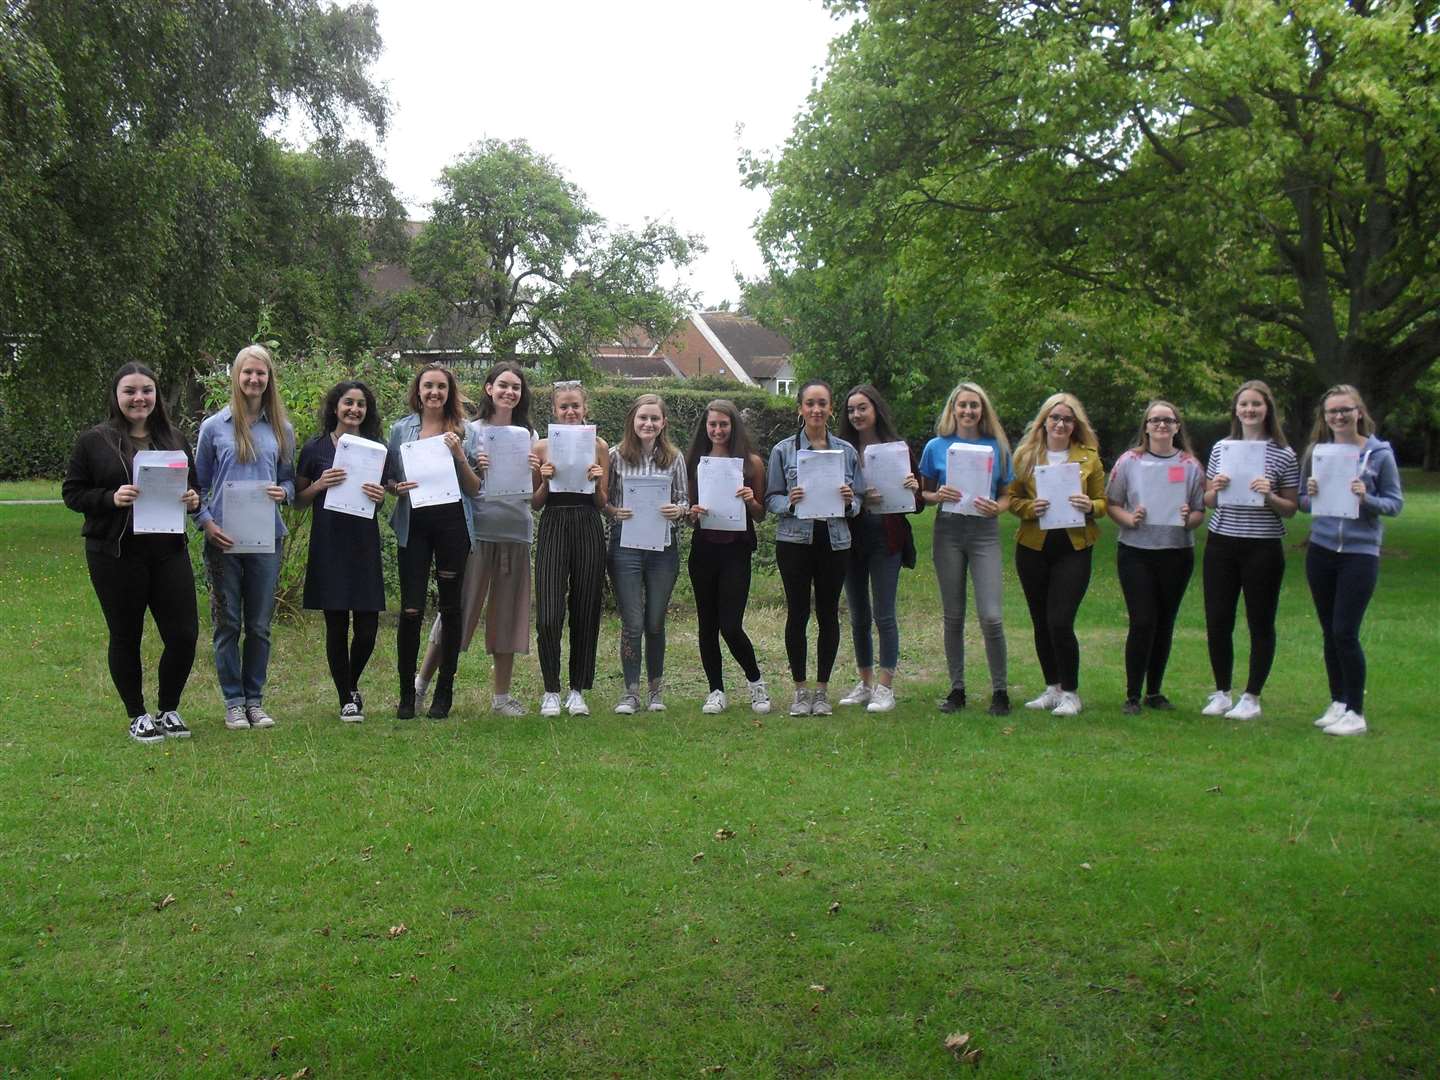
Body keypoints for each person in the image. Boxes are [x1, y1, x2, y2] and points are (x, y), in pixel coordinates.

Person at [63, 362, 201, 743]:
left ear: (156, 396)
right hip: (115, 553)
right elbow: (72, 493)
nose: (139, 398)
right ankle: (137, 714)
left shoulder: (173, 438)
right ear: (116, 396)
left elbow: (194, 486)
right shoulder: (95, 440)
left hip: (169, 549)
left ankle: (169, 708)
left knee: (184, 633)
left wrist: (192, 498)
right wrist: (110, 497)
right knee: (126, 634)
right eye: (130, 391)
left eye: (146, 390)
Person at [416, 362, 538, 717]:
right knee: (455, 614)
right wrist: (473, 464)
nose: (509, 392)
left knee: (508, 616)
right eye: (503, 385)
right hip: (477, 532)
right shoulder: (469, 431)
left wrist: (534, 469)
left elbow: (533, 492)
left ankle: (501, 698)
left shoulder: (528, 435)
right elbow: (456, 483)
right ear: (489, 388)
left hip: (516, 531)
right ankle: (421, 684)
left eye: (515, 387)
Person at [195, 344, 295, 731]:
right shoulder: (213, 427)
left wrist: (283, 493)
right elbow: (197, 485)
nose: (254, 379)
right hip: (223, 539)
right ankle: (233, 701)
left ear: (269, 380)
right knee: (227, 623)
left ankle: (255, 700)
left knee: (258, 625)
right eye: (248, 373)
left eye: (262, 374)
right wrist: (205, 522)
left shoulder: (281, 429)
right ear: (236, 377)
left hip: (266, 539)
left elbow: (289, 478)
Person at [1299, 384, 1403, 737]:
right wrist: (1310, 495)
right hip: (1322, 550)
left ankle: (1356, 711)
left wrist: (1367, 497)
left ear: (1359, 412)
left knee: (1345, 631)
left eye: (1345, 410)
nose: (1339, 417)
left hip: (1359, 553)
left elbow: (1395, 503)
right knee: (1329, 631)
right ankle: (1338, 702)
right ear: (1324, 418)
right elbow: (1302, 501)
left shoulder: (1379, 454)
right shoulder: (1318, 452)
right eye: (1332, 412)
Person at [1199, 380, 1300, 721]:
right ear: (1236, 410)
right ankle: (1222, 692)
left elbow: (1290, 508)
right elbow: (1208, 500)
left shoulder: (1283, 453)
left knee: (1260, 621)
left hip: (1263, 546)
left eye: (1256, 404)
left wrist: (1269, 495)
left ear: (1267, 409)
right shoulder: (1221, 448)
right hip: (1222, 543)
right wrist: (1216, 488)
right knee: (1217, 621)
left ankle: (1252, 696)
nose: (1250, 410)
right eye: (1244, 404)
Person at [385, 364, 481, 719]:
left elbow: (474, 488)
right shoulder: (400, 430)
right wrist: (397, 488)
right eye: (428, 386)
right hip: (415, 525)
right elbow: (390, 481)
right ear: (418, 390)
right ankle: (407, 694)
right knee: (410, 610)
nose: (434, 393)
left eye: (441, 387)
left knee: (450, 608)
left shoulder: (464, 431)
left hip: (453, 525)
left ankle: (445, 691)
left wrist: (458, 454)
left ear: (450, 391)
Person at [765, 379, 862, 717]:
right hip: (794, 541)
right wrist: (788, 502)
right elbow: (771, 499)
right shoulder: (783, 451)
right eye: (810, 403)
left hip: (834, 541)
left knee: (828, 613)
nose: (816, 410)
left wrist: (851, 501)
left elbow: (859, 501)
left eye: (822, 403)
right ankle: (799, 690)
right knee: (798, 613)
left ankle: (822, 691)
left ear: (831, 408)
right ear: (800, 409)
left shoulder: (846, 452)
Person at [917, 381, 1014, 716]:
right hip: (949, 531)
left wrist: (998, 508)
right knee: (953, 615)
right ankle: (957, 688)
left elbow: (1008, 494)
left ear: (982, 410)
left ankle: (1000, 690)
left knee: (991, 616)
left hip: (984, 531)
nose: (969, 411)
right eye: (963, 405)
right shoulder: (936, 446)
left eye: (975, 405)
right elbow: (924, 494)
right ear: (953, 409)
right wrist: (936, 496)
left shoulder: (998, 447)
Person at [295, 380, 389, 723]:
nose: (354, 409)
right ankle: (346, 697)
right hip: (329, 543)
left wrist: (382, 496)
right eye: (348, 403)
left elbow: (385, 493)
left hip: (364, 543)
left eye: (361, 404)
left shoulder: (378, 449)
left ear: (367, 411)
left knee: (367, 628)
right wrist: (319, 485)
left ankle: (351, 683)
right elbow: (298, 500)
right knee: (336, 625)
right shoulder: (315, 449)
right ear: (335, 407)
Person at [1008, 392, 1106, 717]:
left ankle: (1071, 692)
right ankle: (1052, 688)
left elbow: (1103, 502)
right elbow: (1012, 499)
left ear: (1075, 424)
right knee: (1040, 621)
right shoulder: (1026, 455)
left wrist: (1090, 506)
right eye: (1055, 418)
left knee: (1060, 621)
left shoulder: (1089, 457)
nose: (1061, 424)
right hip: (1033, 547)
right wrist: (1029, 508)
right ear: (1045, 421)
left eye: (1067, 419)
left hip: (1074, 547)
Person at [1105, 401, 1206, 714]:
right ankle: (1132, 694)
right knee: (1143, 620)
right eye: (1155, 420)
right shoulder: (1129, 461)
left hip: (1176, 553)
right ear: (1146, 426)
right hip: (1136, 552)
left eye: (1168, 420)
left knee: (1164, 623)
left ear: (1177, 426)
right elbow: (1112, 502)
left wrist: (1189, 518)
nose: (1162, 425)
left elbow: (1200, 509)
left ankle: (1155, 692)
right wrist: (1127, 518)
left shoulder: (1191, 465)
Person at [836, 384, 919, 713]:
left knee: (884, 614)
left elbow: (918, 502)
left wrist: (915, 489)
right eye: (851, 410)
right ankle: (865, 681)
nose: (856, 415)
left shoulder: (898, 449)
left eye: (862, 408)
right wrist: (853, 496)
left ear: (876, 410)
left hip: (887, 539)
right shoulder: (841, 450)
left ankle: (885, 687)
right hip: (851, 539)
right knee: (858, 615)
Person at [605, 393, 690, 714]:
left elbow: (685, 501)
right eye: (643, 418)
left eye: (655, 419)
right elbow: (604, 502)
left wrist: (677, 510)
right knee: (632, 622)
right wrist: (615, 511)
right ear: (633, 421)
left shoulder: (674, 458)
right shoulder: (615, 456)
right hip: (625, 547)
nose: (648, 424)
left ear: (663, 423)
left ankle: (656, 691)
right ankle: (631, 692)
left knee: (655, 621)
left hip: (662, 549)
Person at [686, 399, 771, 715]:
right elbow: (688, 512)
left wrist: (751, 501)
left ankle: (756, 683)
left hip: (736, 550)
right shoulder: (696, 462)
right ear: (705, 428)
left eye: (723, 424)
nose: (718, 430)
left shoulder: (751, 464)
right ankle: (716, 690)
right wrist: (691, 514)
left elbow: (761, 515)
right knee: (706, 625)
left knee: (730, 625)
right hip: (704, 549)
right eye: (712, 424)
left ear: (733, 426)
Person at [532, 381, 609, 717]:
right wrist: (546, 479)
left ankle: (577, 689)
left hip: (588, 522)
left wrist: (596, 480)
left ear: (585, 408)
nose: (570, 412)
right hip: (554, 522)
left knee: (585, 607)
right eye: (563, 406)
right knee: (549, 613)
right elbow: (534, 503)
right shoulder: (542, 447)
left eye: (575, 405)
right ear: (554, 410)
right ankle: (551, 689)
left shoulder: (600, 446)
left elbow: (604, 502)